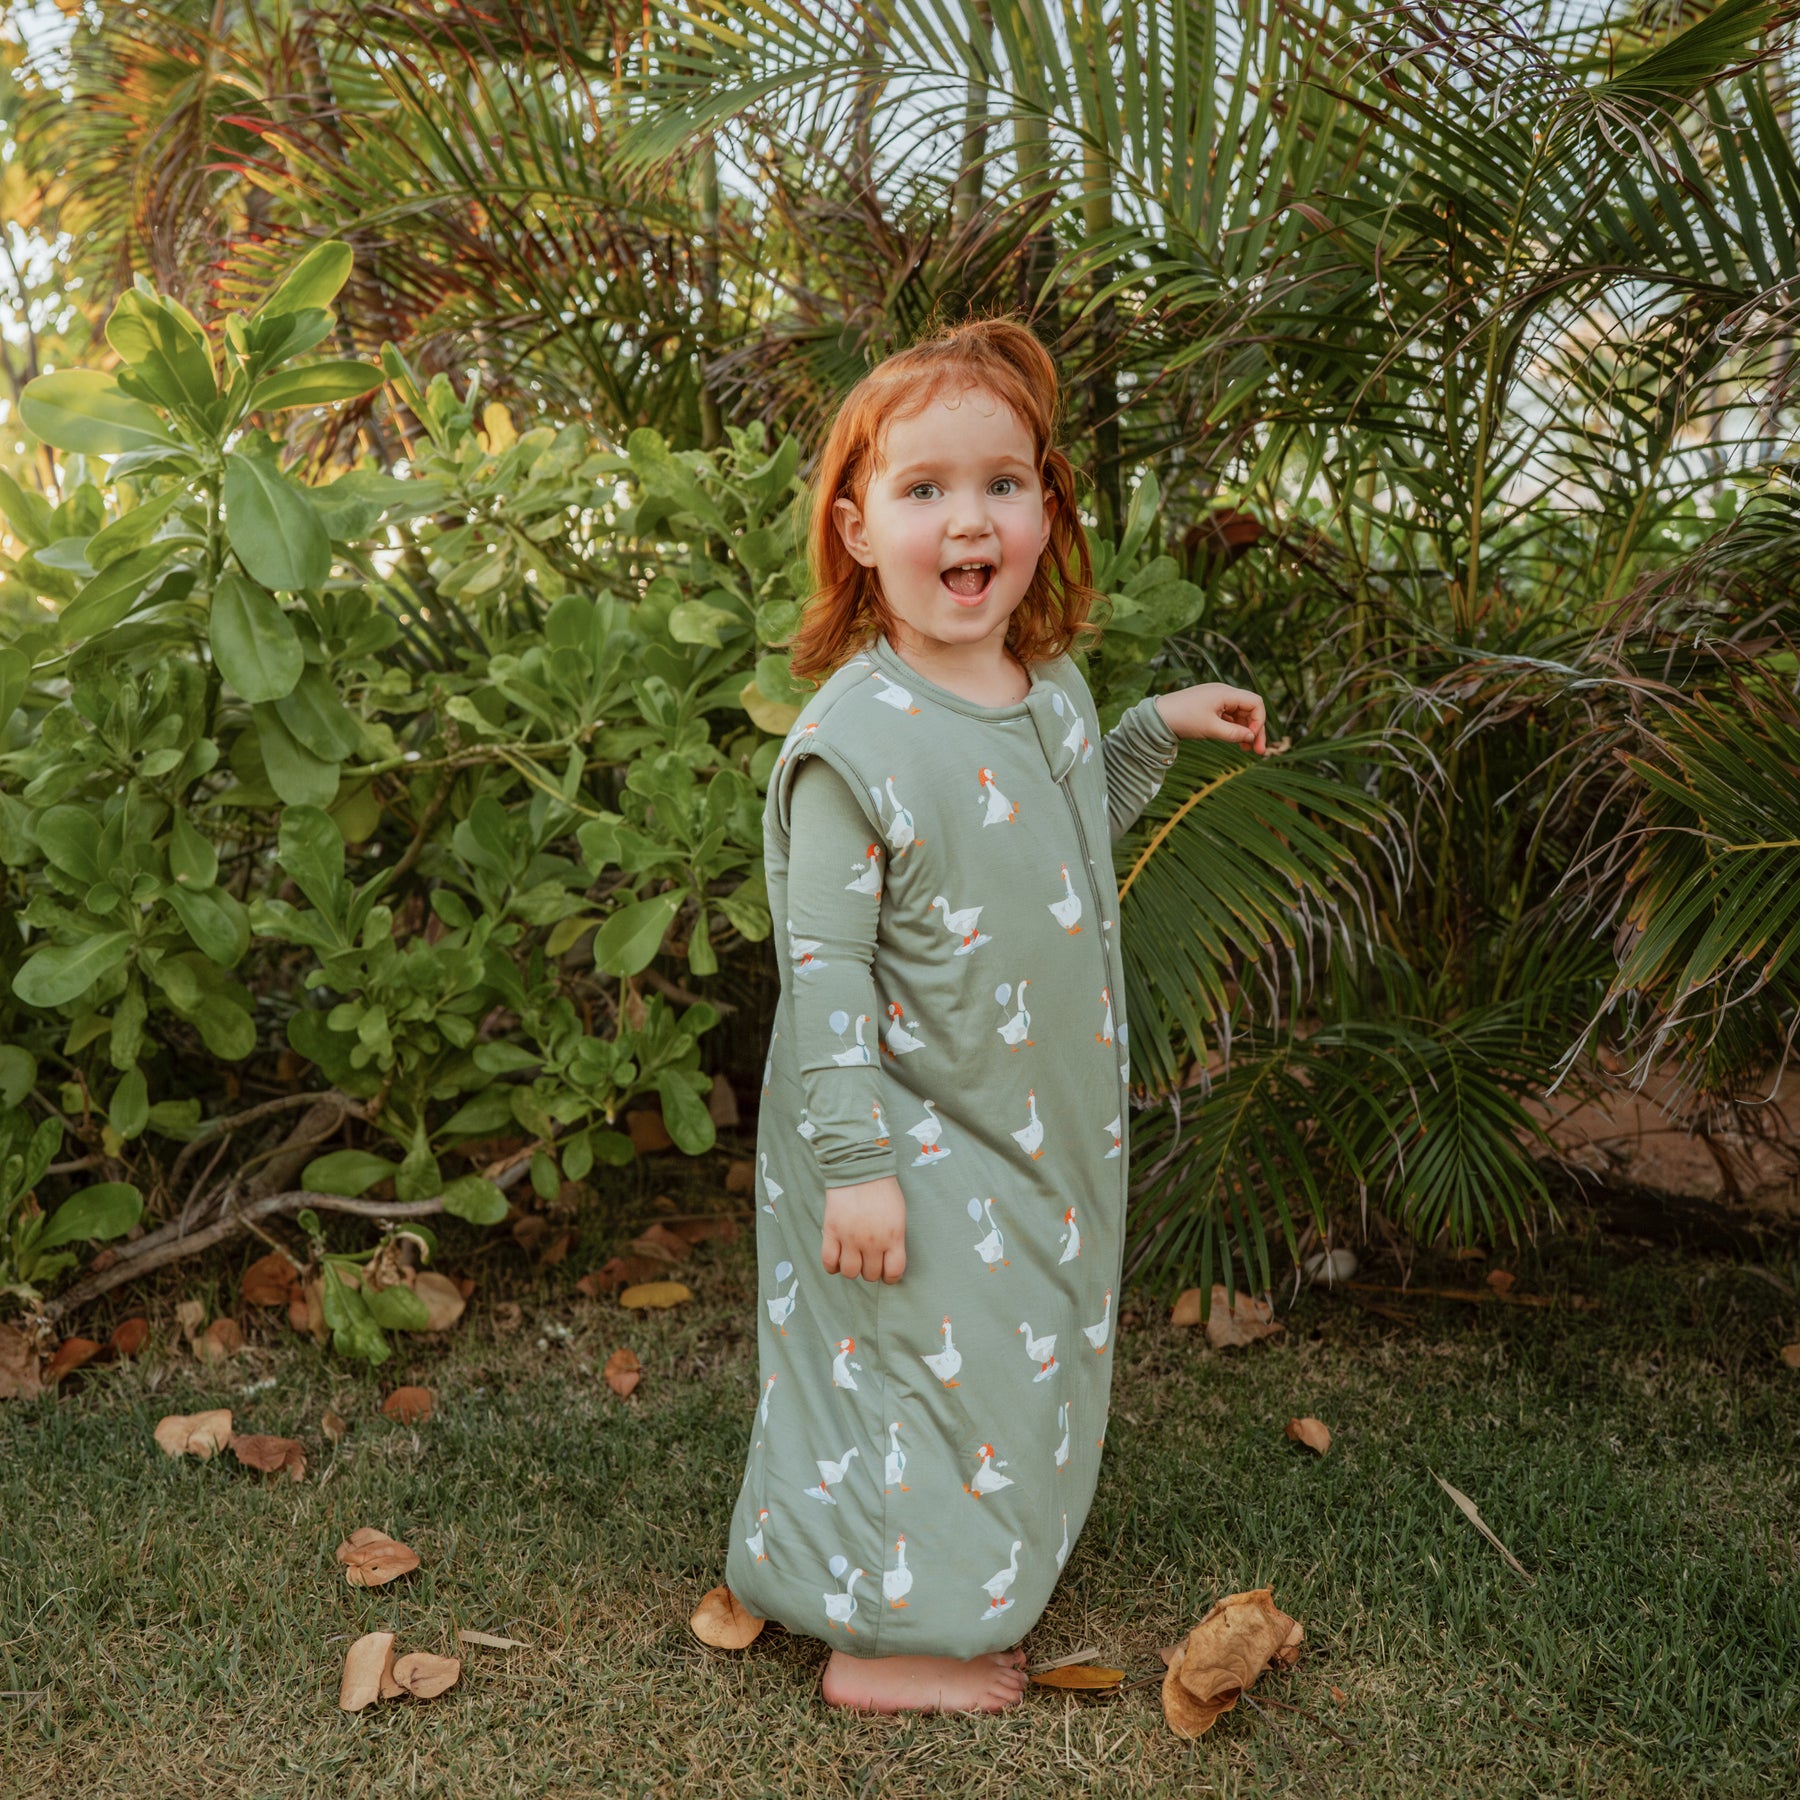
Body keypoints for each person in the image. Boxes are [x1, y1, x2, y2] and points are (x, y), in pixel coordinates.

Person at [722, 317, 1268, 1715]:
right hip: (901, 1124)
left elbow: (1054, 844)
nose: (968, 519)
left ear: (1046, 512)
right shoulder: (854, 747)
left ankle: (949, 1584)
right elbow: (826, 973)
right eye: (925, 490)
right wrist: (856, 1165)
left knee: (1007, 1369)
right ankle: (879, 1641)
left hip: (1030, 1119)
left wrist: (1148, 729)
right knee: (915, 1375)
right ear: (856, 530)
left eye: (1002, 484)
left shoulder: (1050, 693)